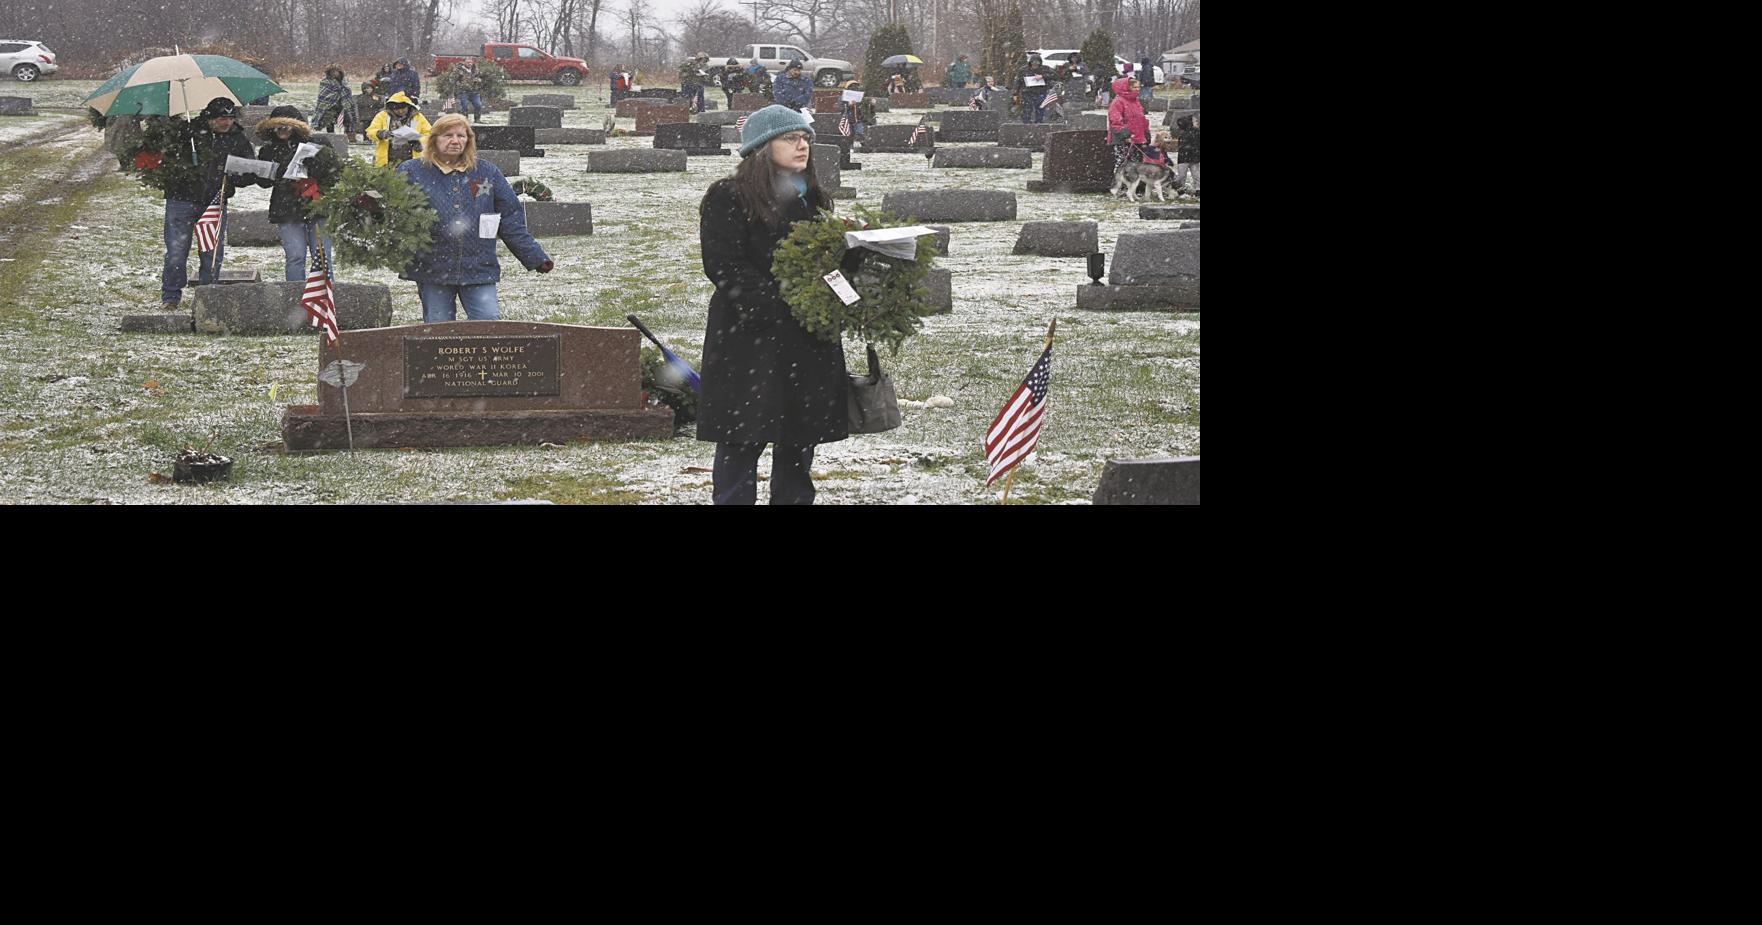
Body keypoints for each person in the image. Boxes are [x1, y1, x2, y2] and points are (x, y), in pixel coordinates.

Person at [696, 105, 847, 505]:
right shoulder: (728, 196)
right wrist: (776, 305)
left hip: (807, 337)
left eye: (805, 139)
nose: (803, 146)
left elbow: (823, 261)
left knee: (799, 438)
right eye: (791, 139)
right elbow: (724, 263)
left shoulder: (810, 197)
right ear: (762, 148)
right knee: (741, 437)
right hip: (750, 335)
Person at [396, 114, 553, 322]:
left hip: (479, 266)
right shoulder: (412, 171)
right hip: (432, 268)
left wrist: (535, 257)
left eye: (461, 136)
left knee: (487, 323)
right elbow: (394, 214)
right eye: (447, 135)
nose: (455, 141)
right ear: (433, 139)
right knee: (438, 329)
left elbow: (510, 218)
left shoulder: (486, 172)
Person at [158, 97, 257, 311]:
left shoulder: (237, 138)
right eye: (222, 118)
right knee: (176, 251)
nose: (227, 123)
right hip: (181, 199)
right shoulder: (187, 132)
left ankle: (207, 295)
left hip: (214, 201)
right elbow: (164, 159)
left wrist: (236, 176)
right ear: (210, 118)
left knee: (211, 252)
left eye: (230, 118)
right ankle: (171, 295)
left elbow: (250, 170)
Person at [253, 105, 335, 282]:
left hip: (316, 205)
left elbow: (333, 172)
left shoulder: (318, 144)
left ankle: (325, 299)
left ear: (296, 126)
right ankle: (294, 297)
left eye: (286, 126)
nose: (282, 130)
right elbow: (264, 182)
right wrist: (267, 171)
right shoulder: (268, 150)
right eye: (277, 126)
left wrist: (313, 166)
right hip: (286, 209)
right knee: (295, 256)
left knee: (322, 257)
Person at [368, 91, 430, 166]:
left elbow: (430, 134)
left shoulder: (418, 117)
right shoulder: (382, 116)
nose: (400, 111)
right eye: (397, 109)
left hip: (412, 160)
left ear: (408, 106)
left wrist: (419, 142)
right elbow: (370, 131)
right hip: (387, 160)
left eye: (403, 108)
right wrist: (380, 133)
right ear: (391, 109)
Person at [1107, 76, 1148, 172]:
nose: (1137, 89)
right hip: (1124, 139)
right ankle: (1120, 184)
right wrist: (1125, 135)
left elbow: (1141, 118)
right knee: (1123, 163)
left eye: (1138, 87)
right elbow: (1116, 121)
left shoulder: (1135, 101)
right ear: (1127, 87)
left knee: (1136, 164)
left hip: (1137, 138)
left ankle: (1133, 184)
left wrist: (1146, 132)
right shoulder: (1118, 102)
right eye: (1134, 87)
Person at [312, 64, 358, 142]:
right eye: (332, 72)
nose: (334, 73)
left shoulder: (344, 82)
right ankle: (331, 137)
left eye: (336, 71)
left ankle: (350, 137)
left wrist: (343, 92)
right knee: (329, 122)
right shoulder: (325, 82)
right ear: (329, 73)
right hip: (330, 106)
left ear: (339, 72)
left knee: (349, 120)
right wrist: (336, 93)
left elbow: (347, 92)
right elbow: (324, 95)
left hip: (343, 105)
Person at [1015, 52, 1053, 124]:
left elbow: (1054, 76)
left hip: (1041, 92)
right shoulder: (1023, 70)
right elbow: (1018, 81)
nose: (1035, 65)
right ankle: (1027, 124)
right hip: (1027, 92)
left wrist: (1042, 76)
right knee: (1027, 109)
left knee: (1040, 110)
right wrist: (1015, 93)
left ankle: (1038, 124)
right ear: (1030, 63)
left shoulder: (1045, 69)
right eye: (1033, 63)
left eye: (1037, 63)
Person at [1172, 113, 1200, 196]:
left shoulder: (1197, 132)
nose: (1197, 122)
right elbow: (1183, 147)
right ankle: (1180, 189)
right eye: (1195, 121)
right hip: (1184, 158)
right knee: (1182, 175)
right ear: (1189, 124)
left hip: (1193, 158)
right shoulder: (1184, 134)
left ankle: (1198, 189)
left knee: (1196, 175)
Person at [452, 59, 485, 123]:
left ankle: (477, 119)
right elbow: (452, 79)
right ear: (464, 62)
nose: (469, 64)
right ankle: (465, 120)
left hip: (474, 91)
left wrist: (478, 80)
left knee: (478, 105)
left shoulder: (475, 70)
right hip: (463, 91)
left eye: (471, 62)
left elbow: (481, 77)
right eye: (468, 62)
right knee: (464, 106)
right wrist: (459, 83)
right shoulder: (458, 70)